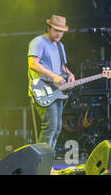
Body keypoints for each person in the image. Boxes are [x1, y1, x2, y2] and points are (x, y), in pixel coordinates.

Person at [28, 15, 75, 149]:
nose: (59, 34)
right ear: (48, 28)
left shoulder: (60, 46)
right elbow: (33, 64)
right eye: (56, 30)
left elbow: (62, 66)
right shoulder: (38, 42)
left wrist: (70, 74)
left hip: (56, 91)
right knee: (50, 128)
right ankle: (42, 165)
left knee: (57, 128)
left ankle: (47, 163)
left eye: (61, 31)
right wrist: (54, 77)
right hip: (42, 90)